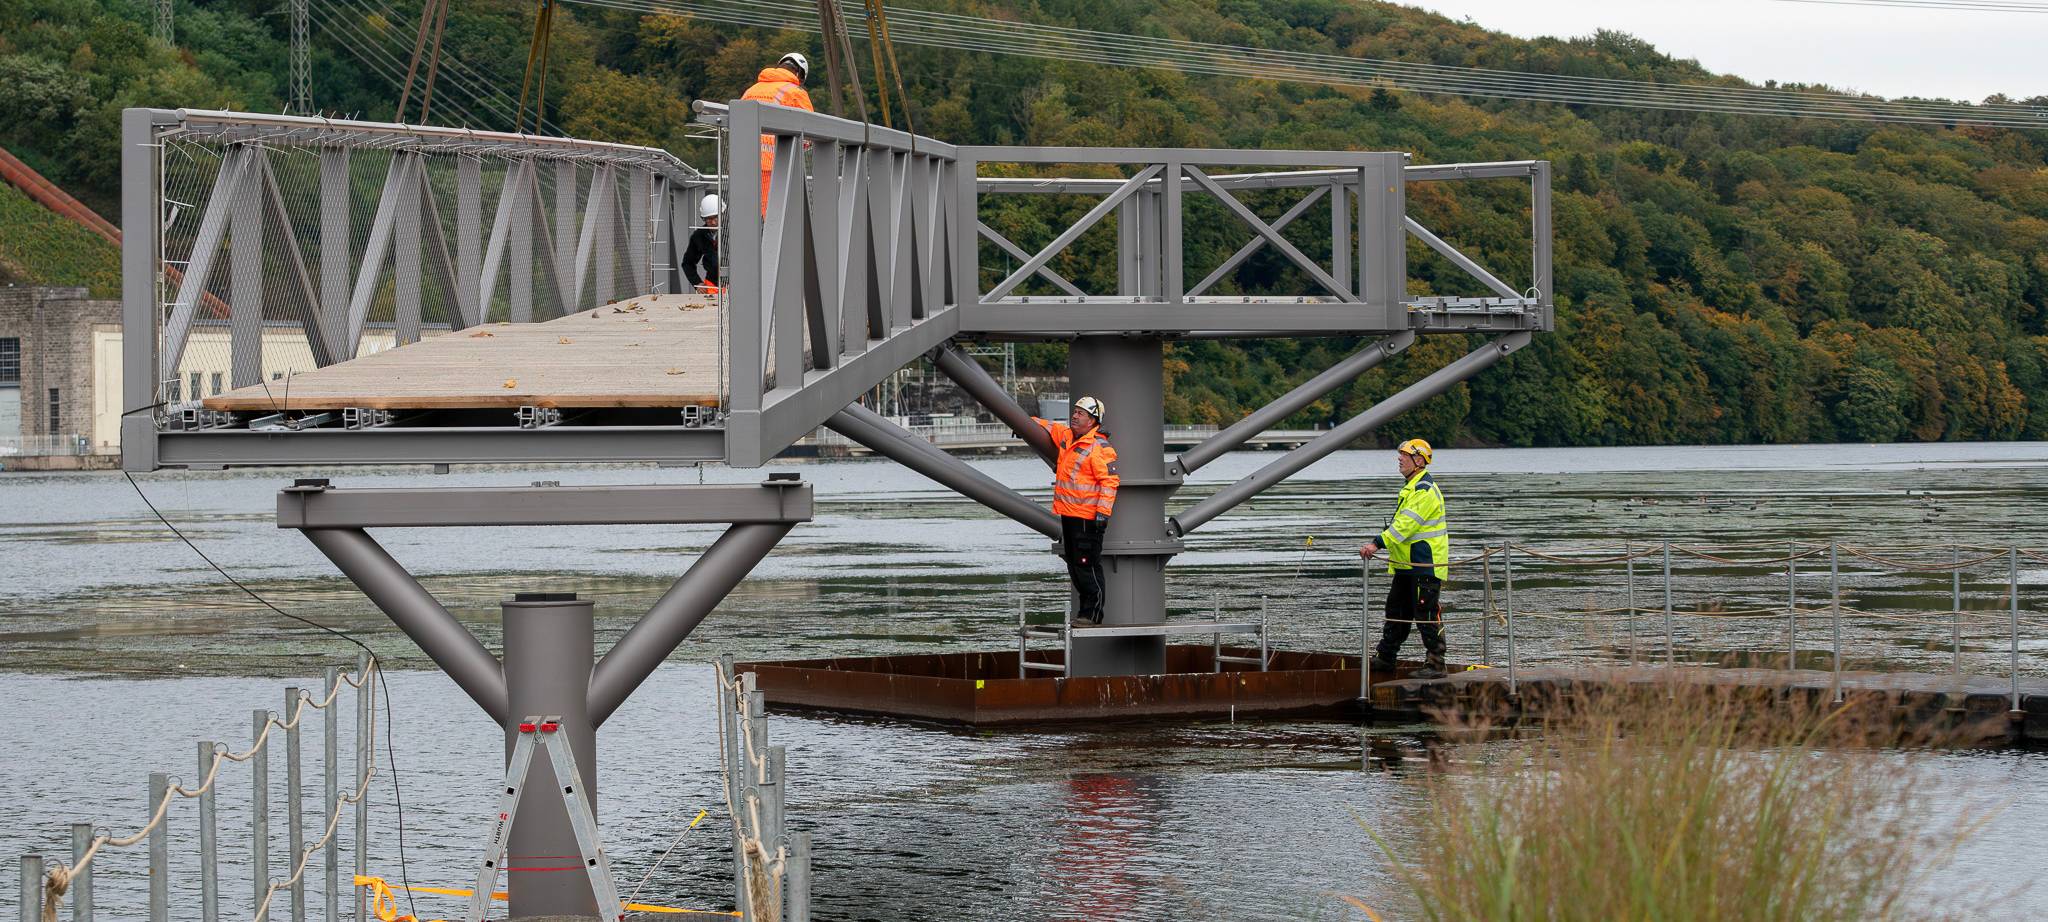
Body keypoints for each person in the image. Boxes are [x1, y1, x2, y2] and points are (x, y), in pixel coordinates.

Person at [1359, 438, 1450, 678]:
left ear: (1419, 461)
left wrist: (1376, 543)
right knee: (1396, 613)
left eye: (1405, 456)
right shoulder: (1411, 488)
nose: (1399, 459)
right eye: (1400, 455)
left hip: (1424, 564)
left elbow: (1405, 526)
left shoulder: (1424, 490)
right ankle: (1386, 658)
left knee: (1426, 615)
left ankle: (1436, 664)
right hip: (1405, 565)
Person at [1033, 397, 1119, 625]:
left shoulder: (1100, 448)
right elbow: (1049, 426)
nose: (1075, 415)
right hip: (1069, 514)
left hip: (1088, 518)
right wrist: (1025, 425)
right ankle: (1084, 613)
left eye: (1081, 413)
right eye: (1075, 411)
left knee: (1086, 564)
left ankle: (1092, 614)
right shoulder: (1068, 437)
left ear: (1092, 421)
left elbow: (1109, 482)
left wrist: (1102, 514)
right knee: (1074, 565)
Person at [741, 52, 814, 215]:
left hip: (743, 163)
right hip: (774, 166)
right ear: (798, 74)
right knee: (774, 219)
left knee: (747, 216)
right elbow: (809, 132)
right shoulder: (795, 92)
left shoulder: (751, 90)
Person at [681, 193, 722, 294]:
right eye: (708, 218)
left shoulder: (735, 230)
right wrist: (697, 283)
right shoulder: (699, 235)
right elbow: (687, 263)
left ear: (722, 213)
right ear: (703, 218)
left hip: (737, 285)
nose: (713, 222)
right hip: (712, 286)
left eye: (715, 217)